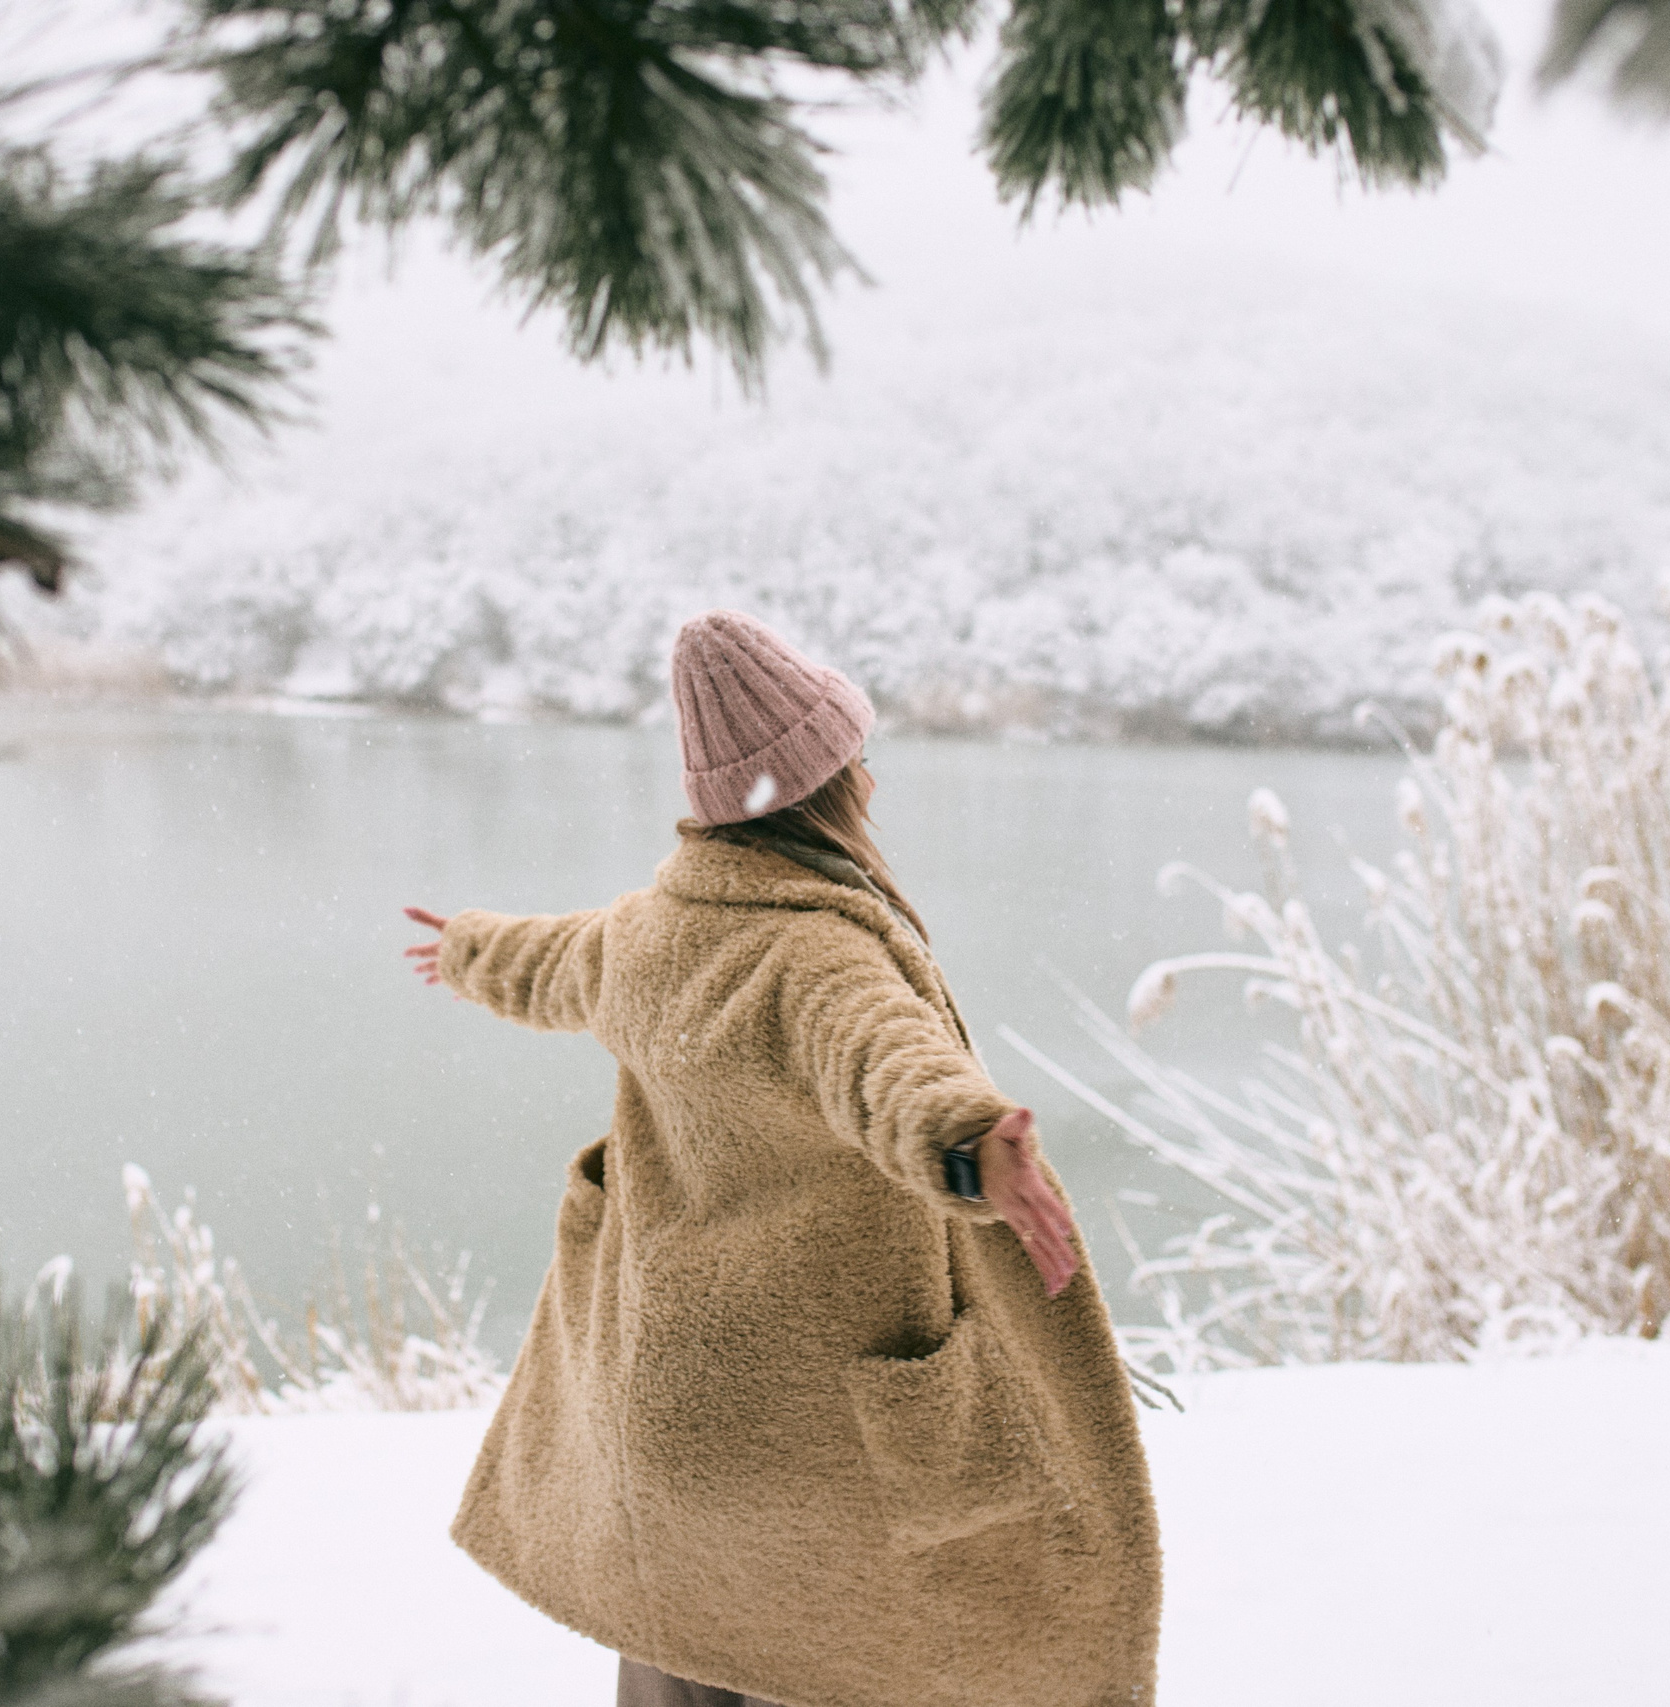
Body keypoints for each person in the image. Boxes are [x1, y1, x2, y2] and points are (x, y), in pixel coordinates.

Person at [402, 610, 1161, 1707]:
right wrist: (966, 1144)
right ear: (833, 780)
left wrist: (470, 948)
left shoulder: (648, 932)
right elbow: (884, 1059)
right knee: (826, 1652)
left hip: (668, 1424)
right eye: (856, 754)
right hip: (802, 1442)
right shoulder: (812, 953)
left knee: (680, 1650)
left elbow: (546, 959)